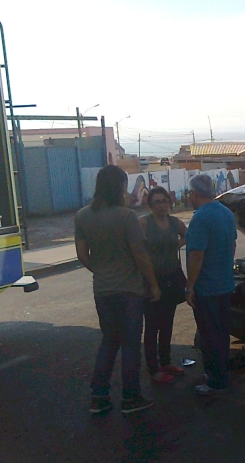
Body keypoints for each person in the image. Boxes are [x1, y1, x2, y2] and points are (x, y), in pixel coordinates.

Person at [75, 165, 160, 415]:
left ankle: (99, 397)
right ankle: (131, 397)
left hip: (102, 290)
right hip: (129, 290)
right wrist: (153, 284)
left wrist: (101, 271)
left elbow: (82, 255)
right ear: (120, 186)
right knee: (131, 344)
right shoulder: (126, 216)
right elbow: (140, 254)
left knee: (109, 341)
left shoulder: (82, 216)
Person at [185, 173, 237, 395]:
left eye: (189, 193)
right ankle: (222, 374)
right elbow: (232, 246)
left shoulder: (200, 218)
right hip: (225, 284)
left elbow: (197, 255)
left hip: (207, 288)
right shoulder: (226, 213)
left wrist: (190, 286)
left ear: (195, 193)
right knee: (222, 333)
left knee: (209, 336)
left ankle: (216, 381)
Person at [140, 187, 188, 385]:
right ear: (150, 206)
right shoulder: (144, 223)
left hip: (172, 277)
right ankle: (153, 369)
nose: (161, 205)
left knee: (167, 322)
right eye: (157, 202)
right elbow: (136, 248)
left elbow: (187, 235)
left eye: (164, 201)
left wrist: (176, 245)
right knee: (152, 325)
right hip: (151, 280)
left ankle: (166, 362)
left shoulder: (175, 222)